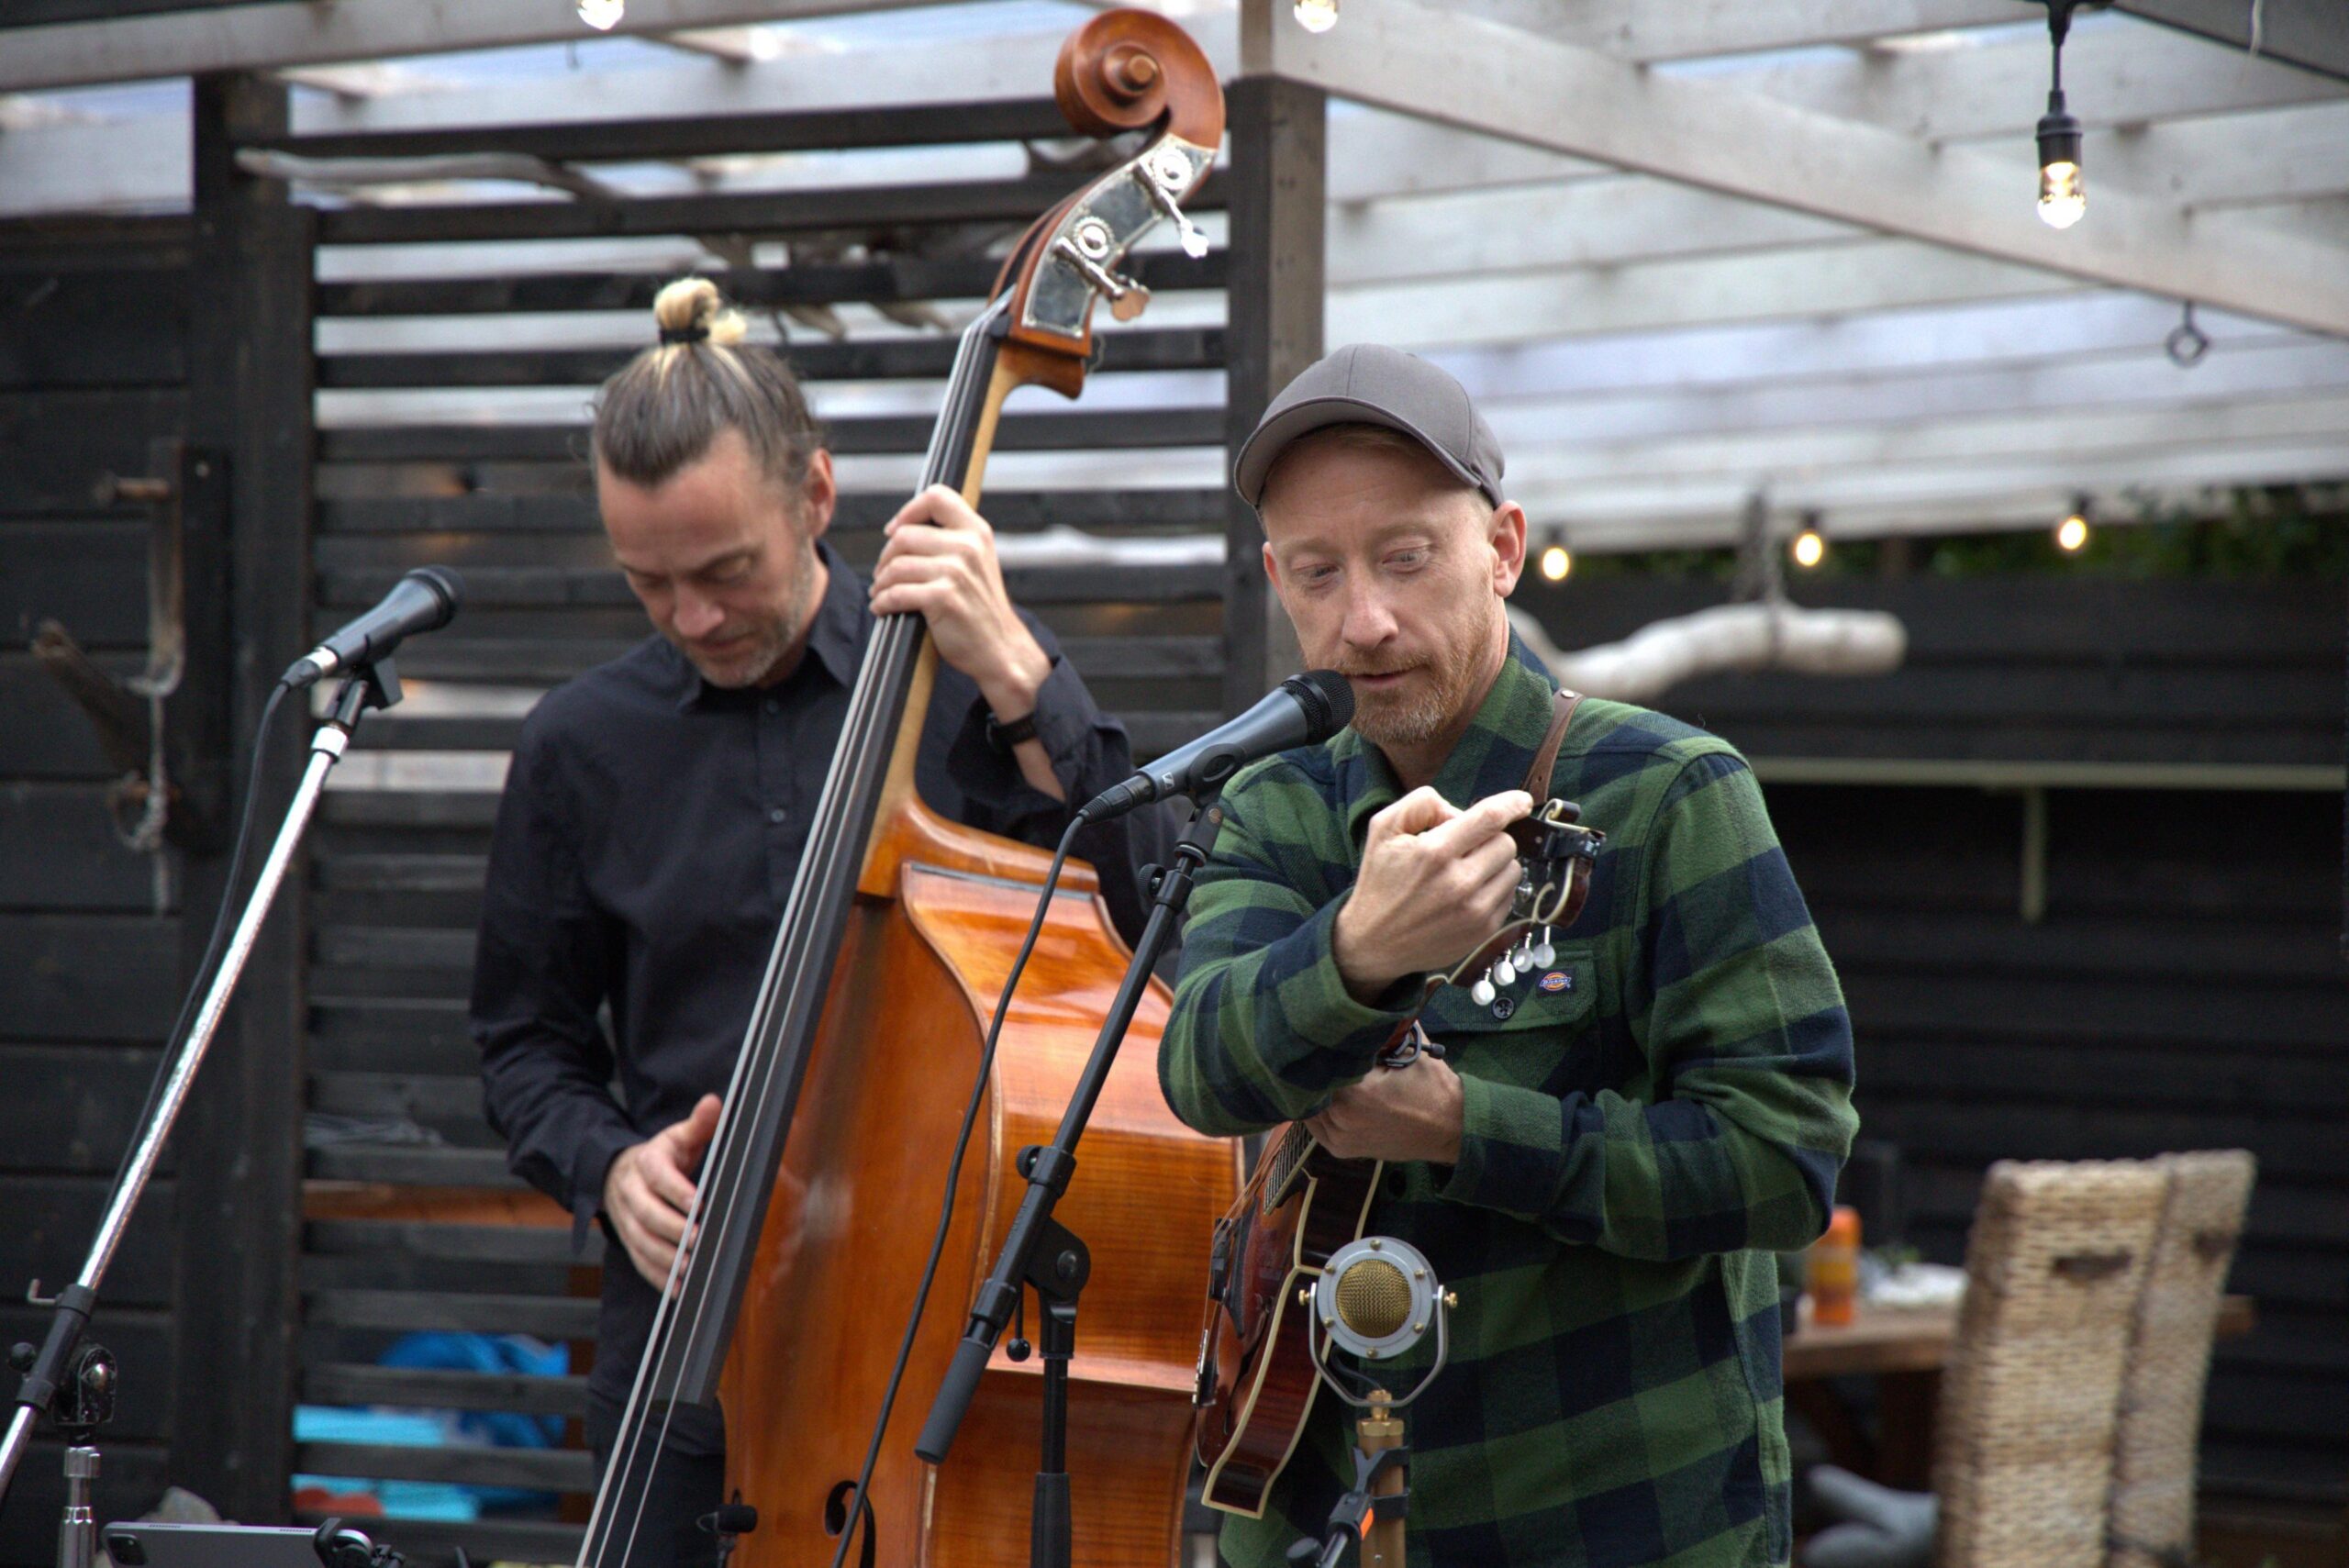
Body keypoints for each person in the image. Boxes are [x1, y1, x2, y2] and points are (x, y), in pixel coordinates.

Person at [470, 278, 1162, 1568]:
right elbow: (524, 1048)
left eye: (725, 569)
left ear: (817, 496)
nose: (693, 618)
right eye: (649, 583)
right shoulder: (579, 745)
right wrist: (612, 1168)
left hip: (931, 1323)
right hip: (683, 1343)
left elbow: (1154, 912)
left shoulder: (973, 683)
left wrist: (1021, 671)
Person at [1159, 344, 1859, 1568]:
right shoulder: (1273, 804)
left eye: (1407, 557)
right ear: (1277, 579)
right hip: (1326, 1513)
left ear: (1504, 549)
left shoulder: (1671, 793)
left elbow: (1786, 1160)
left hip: (1616, 1519)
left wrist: (1461, 1128)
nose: (1363, 618)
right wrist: (1360, 949)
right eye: (1318, 573)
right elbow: (1199, 1064)